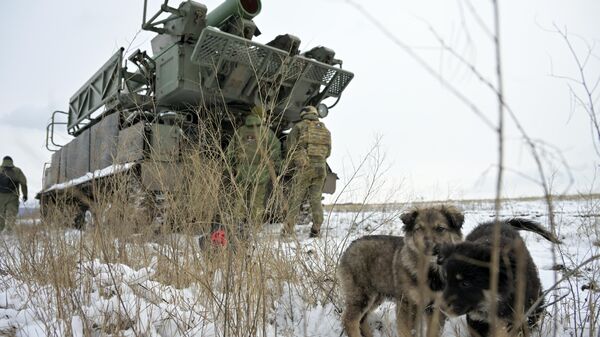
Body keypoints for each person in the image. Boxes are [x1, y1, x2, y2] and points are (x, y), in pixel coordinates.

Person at [226, 106, 282, 234]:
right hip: (261, 174)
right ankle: (255, 228)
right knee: (257, 202)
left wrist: (233, 167)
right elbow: (276, 149)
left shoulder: (240, 131)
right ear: (261, 116)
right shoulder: (267, 132)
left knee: (240, 200)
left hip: (242, 172)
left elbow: (230, 152)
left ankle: (238, 226)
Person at [283, 105, 331, 238]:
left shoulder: (299, 127)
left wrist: (295, 164)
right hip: (321, 168)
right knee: (315, 199)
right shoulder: (325, 129)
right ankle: (316, 228)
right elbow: (328, 152)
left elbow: (290, 148)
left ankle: (288, 229)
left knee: (296, 199)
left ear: (303, 114)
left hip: (305, 168)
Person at [0, 156, 28, 231]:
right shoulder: (17, 170)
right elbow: (23, 183)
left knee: (0, 215)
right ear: (12, 161)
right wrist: (25, 195)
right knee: (11, 215)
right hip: (13, 196)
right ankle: (9, 233)